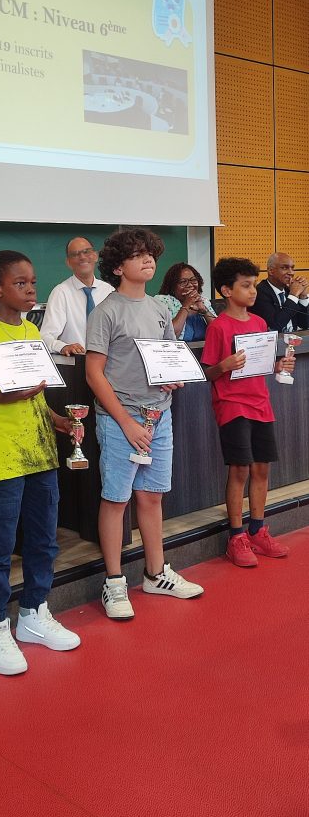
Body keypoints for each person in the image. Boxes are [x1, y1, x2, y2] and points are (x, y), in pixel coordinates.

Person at [0, 249, 81, 676]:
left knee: (43, 539)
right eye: (20, 283)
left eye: (33, 283)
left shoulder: (31, 330)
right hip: (1, 455)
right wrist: (2, 398)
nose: (30, 290)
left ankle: (34, 612)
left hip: (40, 451)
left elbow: (35, 392)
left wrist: (58, 420)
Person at [85, 227, 203, 621]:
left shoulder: (158, 308)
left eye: (149, 253)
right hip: (122, 418)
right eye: (137, 255)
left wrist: (171, 377)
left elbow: (165, 357)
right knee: (116, 500)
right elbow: (94, 374)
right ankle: (114, 581)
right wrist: (126, 423)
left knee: (152, 497)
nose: (147, 260)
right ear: (118, 267)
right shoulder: (106, 311)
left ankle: (155, 573)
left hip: (159, 414)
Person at [201, 257, 295, 568]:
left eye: (253, 285)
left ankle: (257, 530)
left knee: (261, 469)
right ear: (227, 291)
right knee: (239, 470)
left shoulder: (259, 323)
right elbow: (207, 373)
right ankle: (236, 536)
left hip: (260, 403)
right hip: (232, 405)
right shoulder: (218, 326)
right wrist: (224, 365)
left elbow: (261, 364)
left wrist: (278, 366)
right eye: (245, 285)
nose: (253, 291)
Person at [41, 236, 114, 356]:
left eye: (86, 251)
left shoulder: (109, 291)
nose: (82, 257)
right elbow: (45, 336)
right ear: (68, 262)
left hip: (109, 361)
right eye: (75, 254)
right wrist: (63, 347)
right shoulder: (61, 292)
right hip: (76, 362)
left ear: (95, 256)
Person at [248, 252, 309, 332]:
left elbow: (305, 325)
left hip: (293, 337)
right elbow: (275, 326)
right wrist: (293, 295)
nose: (291, 273)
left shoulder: (288, 290)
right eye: (285, 268)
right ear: (271, 271)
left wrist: (303, 297)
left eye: (292, 268)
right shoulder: (260, 292)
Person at [157, 262, 217, 341]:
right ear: (172, 286)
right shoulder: (163, 301)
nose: (190, 285)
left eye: (193, 280)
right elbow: (170, 336)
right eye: (183, 282)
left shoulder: (203, 301)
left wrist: (204, 311)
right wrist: (186, 305)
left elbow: (219, 331)